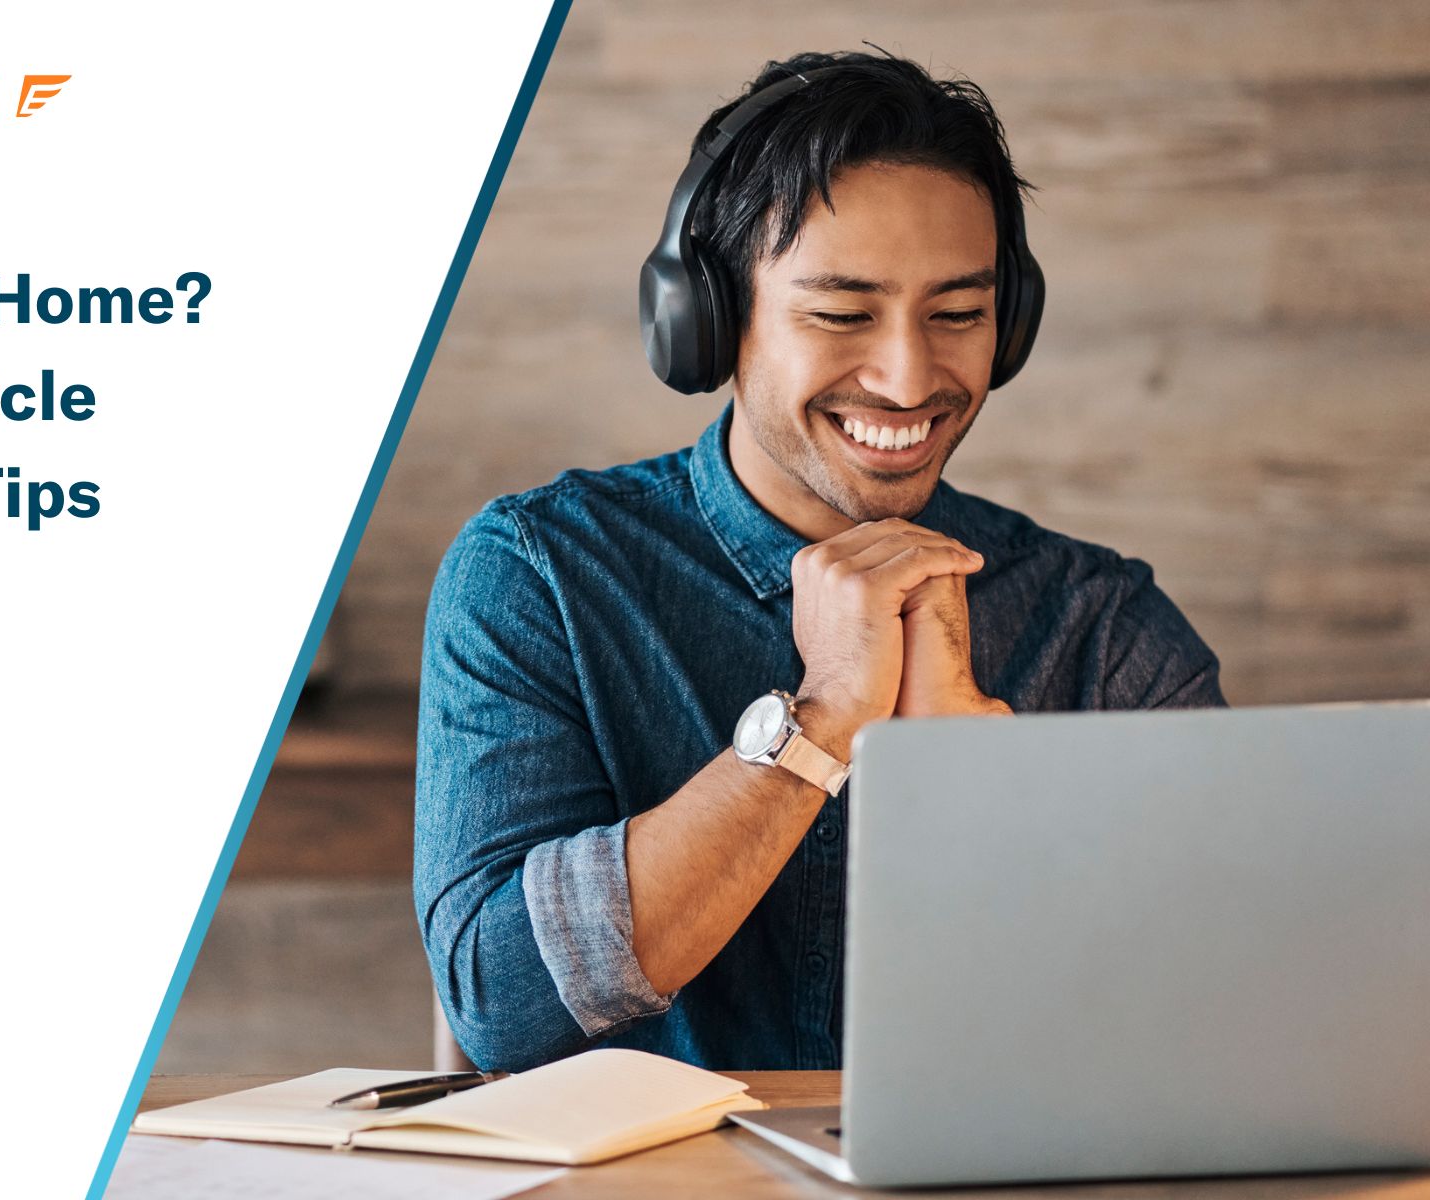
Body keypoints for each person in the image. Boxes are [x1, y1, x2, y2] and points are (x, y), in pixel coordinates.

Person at [413, 50, 1224, 1073]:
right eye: (840, 314)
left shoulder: (1099, 627)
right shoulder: (539, 574)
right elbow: (505, 1006)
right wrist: (823, 721)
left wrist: (972, 797)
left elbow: (1206, 1016)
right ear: (704, 321)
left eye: (958, 314)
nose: (907, 376)